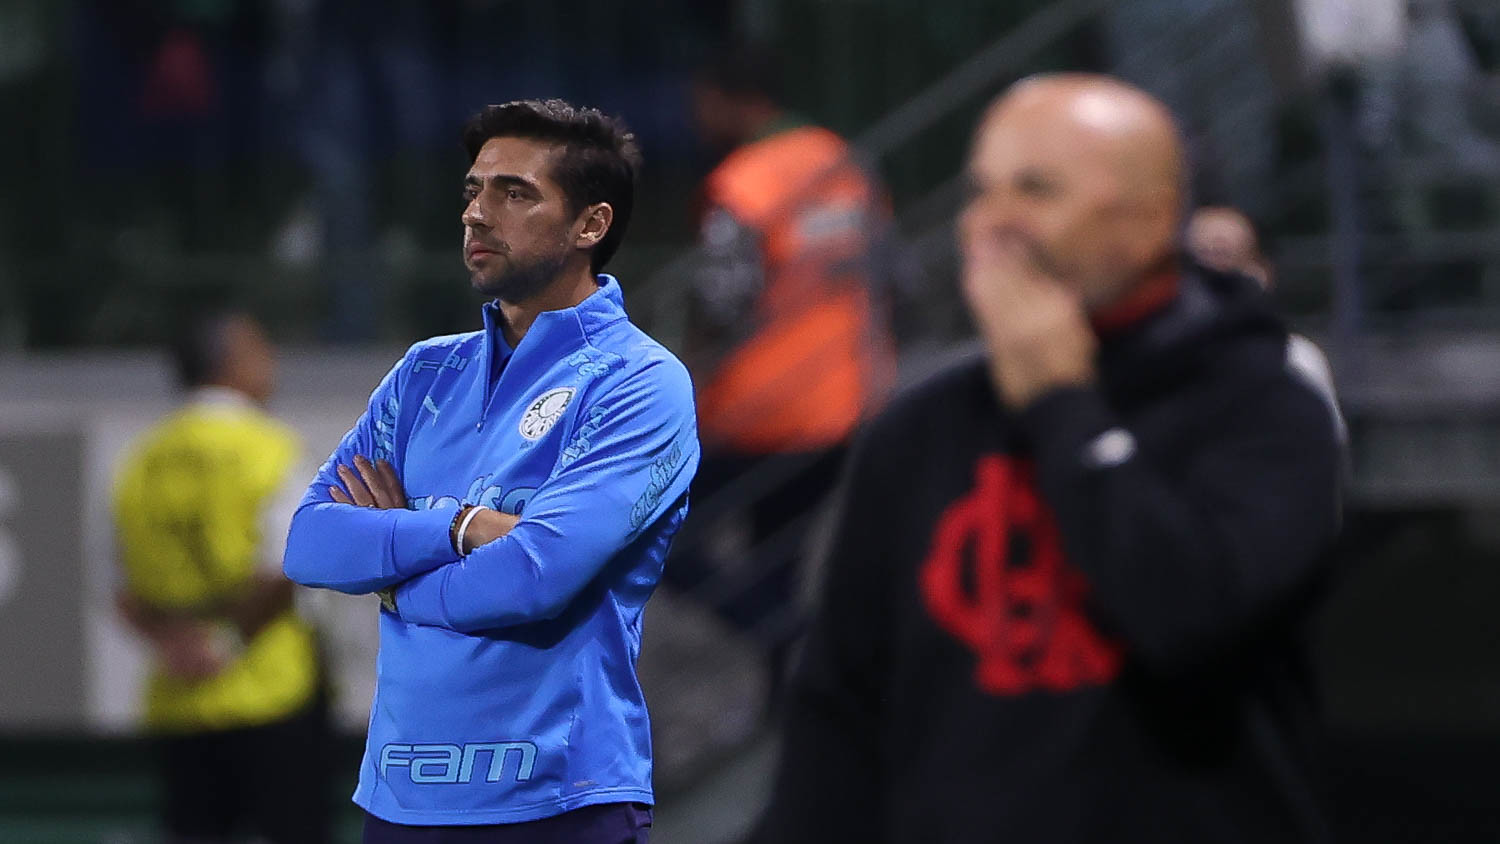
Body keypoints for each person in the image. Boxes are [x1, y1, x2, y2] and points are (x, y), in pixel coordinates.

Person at [756, 74, 1345, 843]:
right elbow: (837, 713)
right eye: (981, 191)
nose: (990, 225)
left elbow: (1189, 619)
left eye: (1035, 191)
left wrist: (1064, 404)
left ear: (1150, 220)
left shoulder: (1267, 407)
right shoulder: (919, 429)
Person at [282, 99, 699, 842]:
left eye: (515, 193)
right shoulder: (422, 374)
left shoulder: (640, 382)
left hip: (560, 798)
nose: (477, 214)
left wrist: (390, 571)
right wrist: (462, 527)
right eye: (474, 190)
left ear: (590, 226)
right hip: (399, 799)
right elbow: (310, 544)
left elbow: (538, 575)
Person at [669, 44, 894, 700]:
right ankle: (789, 701)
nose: (695, 116)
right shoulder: (843, 162)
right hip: (844, 399)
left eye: (702, 103)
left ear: (731, 100)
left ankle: (793, 638)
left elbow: (719, 298)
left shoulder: (745, 184)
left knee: (650, 528)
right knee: (780, 551)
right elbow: (890, 273)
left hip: (759, 409)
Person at [112, 309, 330, 844]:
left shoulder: (143, 459)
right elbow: (286, 566)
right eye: (260, 351)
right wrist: (228, 641)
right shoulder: (267, 447)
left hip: (180, 698)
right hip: (273, 689)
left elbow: (122, 589)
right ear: (230, 364)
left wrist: (177, 646)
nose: (272, 364)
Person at [1187, 205, 1342, 422]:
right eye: (1193, 260)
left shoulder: (1296, 363)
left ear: (1260, 274)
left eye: (1221, 255)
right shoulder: (1144, 362)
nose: (1206, 273)